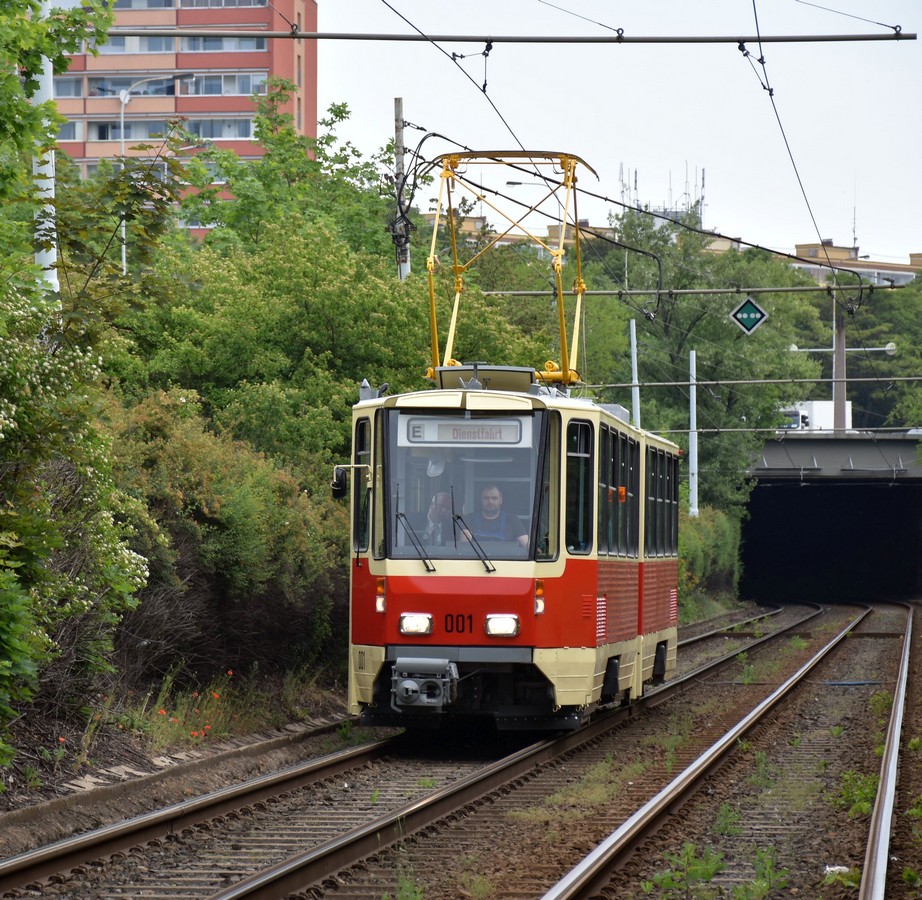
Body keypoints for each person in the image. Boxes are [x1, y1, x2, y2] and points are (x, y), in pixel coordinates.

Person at [463, 484, 528, 548]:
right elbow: (463, 548)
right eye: (486, 498)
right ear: (481, 500)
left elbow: (527, 545)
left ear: (501, 500)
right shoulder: (469, 519)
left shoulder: (512, 520)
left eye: (494, 498)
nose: (490, 501)